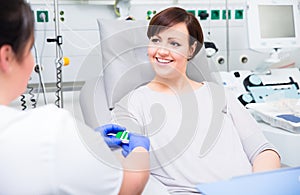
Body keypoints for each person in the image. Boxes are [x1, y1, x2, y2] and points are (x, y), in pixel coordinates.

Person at [103, 7, 281, 194]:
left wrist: (258, 187)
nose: (162, 51)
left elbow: (263, 150)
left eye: (174, 44)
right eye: (156, 41)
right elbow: (129, 149)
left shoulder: (219, 94)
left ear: (191, 49)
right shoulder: (133, 103)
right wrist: (113, 140)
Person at [0, 0, 150, 194]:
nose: (33, 62)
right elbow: (129, 187)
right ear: (6, 57)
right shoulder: (49, 131)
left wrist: (83, 145)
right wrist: (140, 149)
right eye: (29, 49)